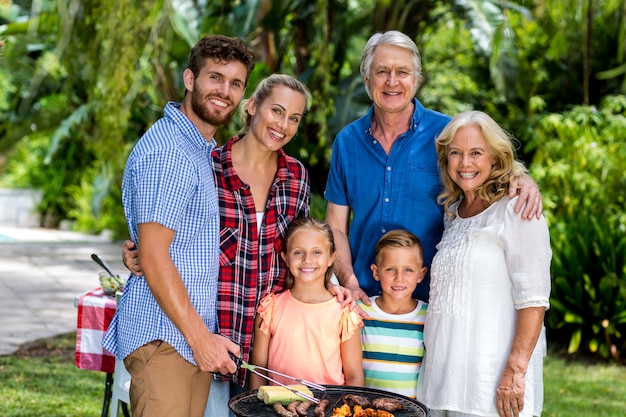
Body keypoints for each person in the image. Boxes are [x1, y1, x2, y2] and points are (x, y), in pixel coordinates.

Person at [121, 74, 355, 415]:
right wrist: (136, 250)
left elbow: (302, 250)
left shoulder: (296, 177)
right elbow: (167, 233)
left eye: (294, 118)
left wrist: (331, 285)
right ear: (252, 107)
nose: (283, 125)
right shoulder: (209, 166)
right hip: (211, 340)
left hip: (270, 350)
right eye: (276, 111)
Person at [323, 30, 543, 305]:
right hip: (363, 302)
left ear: (416, 79)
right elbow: (336, 226)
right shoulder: (347, 142)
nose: (392, 81)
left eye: (402, 71)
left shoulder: (446, 132)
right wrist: (350, 283)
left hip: (433, 304)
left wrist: (521, 179)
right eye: (382, 71)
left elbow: (484, 166)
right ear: (367, 79)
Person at [102, 34, 256, 417]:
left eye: (235, 83)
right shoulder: (171, 154)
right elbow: (154, 257)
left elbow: (168, 244)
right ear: (190, 79)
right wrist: (201, 339)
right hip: (166, 338)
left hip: (186, 339)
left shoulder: (199, 149)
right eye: (215, 78)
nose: (225, 91)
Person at [415, 110, 551, 417]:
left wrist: (515, 373)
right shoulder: (453, 212)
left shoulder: (517, 208)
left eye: (476, 153)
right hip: (443, 382)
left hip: (490, 386)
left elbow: (534, 299)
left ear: (495, 157)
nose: (465, 163)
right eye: (456, 153)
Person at [249, 217, 364, 390]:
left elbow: (354, 375)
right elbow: (258, 370)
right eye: (298, 252)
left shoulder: (344, 312)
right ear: (286, 258)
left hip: (329, 407)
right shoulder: (270, 308)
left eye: (317, 252)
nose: (307, 259)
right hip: (277, 407)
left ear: (331, 258)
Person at [359, 229, 428, 399]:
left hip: (411, 410)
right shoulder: (361, 311)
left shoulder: (428, 316)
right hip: (366, 409)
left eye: (408, 270)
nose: (399, 278)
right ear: (376, 272)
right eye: (390, 269)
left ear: (421, 274)